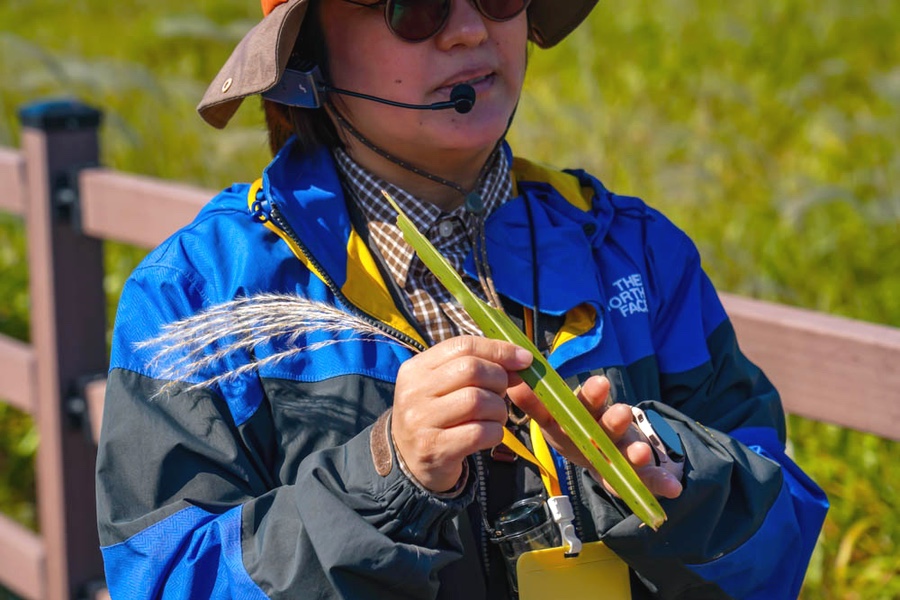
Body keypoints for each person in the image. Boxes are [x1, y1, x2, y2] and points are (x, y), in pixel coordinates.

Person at [95, 0, 829, 598]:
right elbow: (160, 579)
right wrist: (384, 476)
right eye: (416, 9)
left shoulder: (637, 253)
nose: (472, 28)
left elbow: (779, 541)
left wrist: (671, 473)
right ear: (307, 53)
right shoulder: (199, 295)